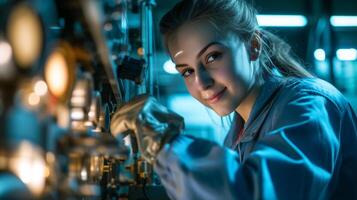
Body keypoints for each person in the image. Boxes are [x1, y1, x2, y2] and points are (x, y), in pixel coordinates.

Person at [110, 0, 357, 199]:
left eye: (213, 56)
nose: (201, 82)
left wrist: (164, 139)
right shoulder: (237, 135)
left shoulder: (309, 104)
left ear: (253, 46)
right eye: (187, 71)